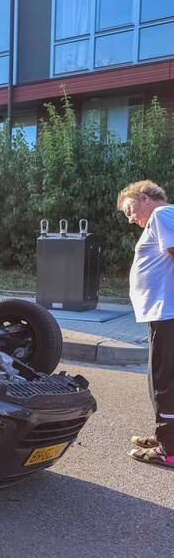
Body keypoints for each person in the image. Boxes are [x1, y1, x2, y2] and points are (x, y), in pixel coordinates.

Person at [118, 180, 174, 469]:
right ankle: (165, 435)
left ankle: (169, 449)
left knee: (164, 382)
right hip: (162, 313)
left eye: (129, 209)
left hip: (167, 313)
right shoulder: (163, 218)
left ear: (144, 198)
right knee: (163, 379)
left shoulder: (161, 215)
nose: (130, 218)